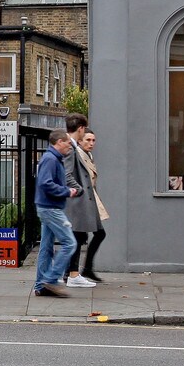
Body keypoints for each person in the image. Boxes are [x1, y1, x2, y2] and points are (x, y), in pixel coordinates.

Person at [32, 130, 81, 299]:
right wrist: (66, 191)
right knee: (69, 243)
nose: (69, 145)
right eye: (67, 142)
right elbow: (46, 183)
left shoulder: (53, 158)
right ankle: (51, 280)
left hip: (48, 207)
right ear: (59, 142)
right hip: (51, 208)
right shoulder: (51, 159)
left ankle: (41, 286)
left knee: (46, 248)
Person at [63, 115, 109, 287]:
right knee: (76, 236)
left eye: (94, 140)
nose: (91, 142)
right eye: (88, 139)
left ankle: (72, 272)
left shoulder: (85, 154)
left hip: (87, 200)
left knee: (80, 236)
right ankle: (70, 273)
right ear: (81, 130)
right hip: (80, 200)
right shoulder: (73, 150)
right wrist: (79, 189)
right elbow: (67, 175)